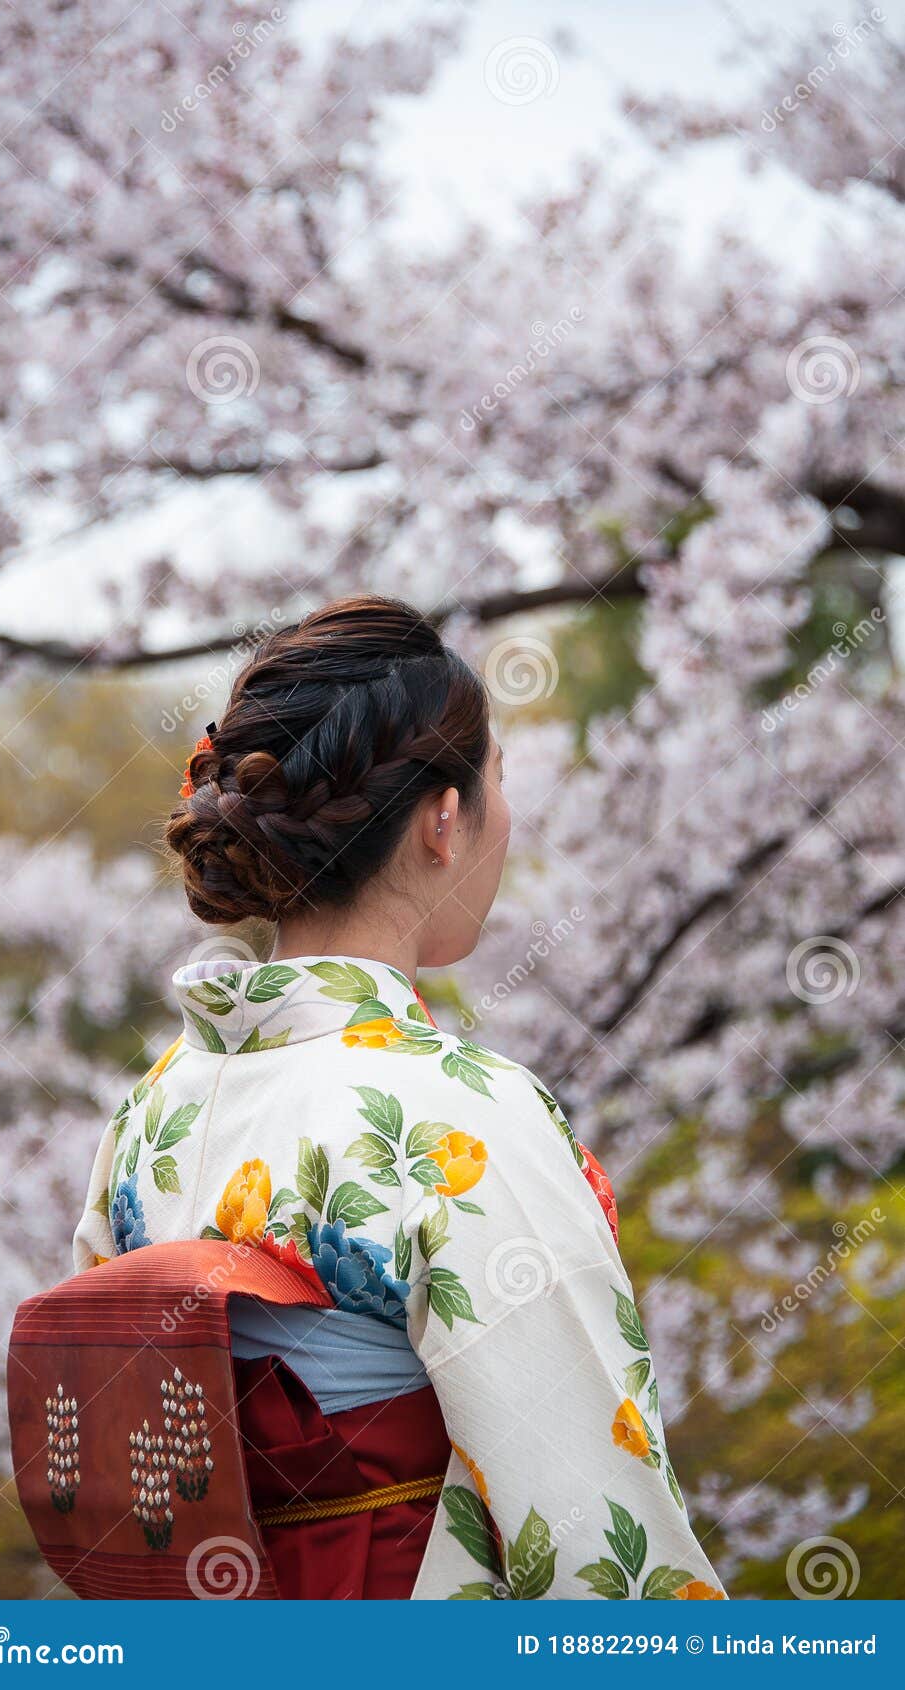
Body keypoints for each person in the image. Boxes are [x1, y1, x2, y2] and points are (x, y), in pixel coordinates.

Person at [73, 594, 724, 1601]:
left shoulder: (151, 1113)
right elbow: (596, 1526)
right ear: (445, 818)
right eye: (498, 781)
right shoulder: (457, 1112)